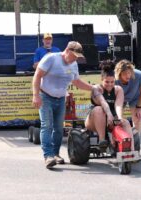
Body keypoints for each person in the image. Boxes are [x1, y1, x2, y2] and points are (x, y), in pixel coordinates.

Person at [32, 41, 95, 169]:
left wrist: (93, 88)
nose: (74, 59)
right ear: (67, 50)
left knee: (59, 128)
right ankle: (48, 156)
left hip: (60, 99)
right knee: (46, 125)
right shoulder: (51, 58)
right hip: (45, 97)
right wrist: (36, 95)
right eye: (73, 56)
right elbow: (37, 76)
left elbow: (77, 82)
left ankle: (56, 154)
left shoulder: (74, 65)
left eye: (77, 57)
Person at [85, 60, 134, 150]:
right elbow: (103, 102)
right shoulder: (96, 88)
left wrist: (119, 118)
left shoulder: (118, 89)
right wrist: (109, 115)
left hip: (111, 120)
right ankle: (102, 141)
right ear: (101, 79)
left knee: (126, 122)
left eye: (112, 82)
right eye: (107, 82)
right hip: (94, 121)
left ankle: (131, 151)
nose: (110, 84)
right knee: (99, 109)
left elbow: (118, 105)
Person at [114, 59, 141, 135]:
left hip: (135, 97)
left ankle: (136, 139)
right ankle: (119, 137)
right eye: (125, 73)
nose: (128, 75)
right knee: (117, 119)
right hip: (119, 98)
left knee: (137, 117)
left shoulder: (139, 74)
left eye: (129, 73)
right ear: (119, 74)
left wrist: (139, 107)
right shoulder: (114, 78)